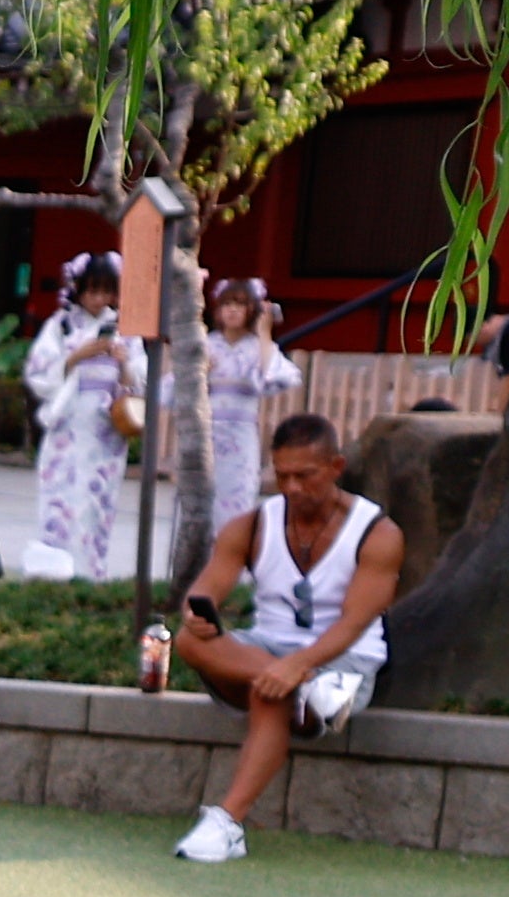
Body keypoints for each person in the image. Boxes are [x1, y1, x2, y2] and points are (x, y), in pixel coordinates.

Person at [159, 412, 397, 863]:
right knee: (190, 644)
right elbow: (206, 588)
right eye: (281, 475)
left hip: (344, 664)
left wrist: (299, 666)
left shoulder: (379, 533)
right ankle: (306, 690)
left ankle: (228, 823)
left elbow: (355, 623)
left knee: (270, 693)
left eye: (304, 476)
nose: (290, 487)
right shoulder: (251, 525)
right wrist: (197, 613)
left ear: (336, 467)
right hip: (273, 653)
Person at [17, 254, 138, 578]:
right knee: (59, 498)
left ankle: (90, 573)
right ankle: (52, 573)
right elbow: (38, 374)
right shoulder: (62, 325)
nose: (99, 299)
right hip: (68, 425)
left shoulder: (124, 329)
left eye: (106, 292)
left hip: (104, 430)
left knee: (96, 504)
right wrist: (76, 357)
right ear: (78, 290)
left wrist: (124, 363)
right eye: (92, 291)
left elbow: (137, 383)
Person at [191, 278, 299, 532]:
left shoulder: (257, 347)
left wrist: (264, 332)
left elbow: (275, 376)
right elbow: (176, 389)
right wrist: (201, 374)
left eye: (240, 305)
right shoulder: (206, 345)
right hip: (205, 432)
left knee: (237, 499)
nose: (232, 310)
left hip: (240, 435)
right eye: (227, 304)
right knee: (200, 500)